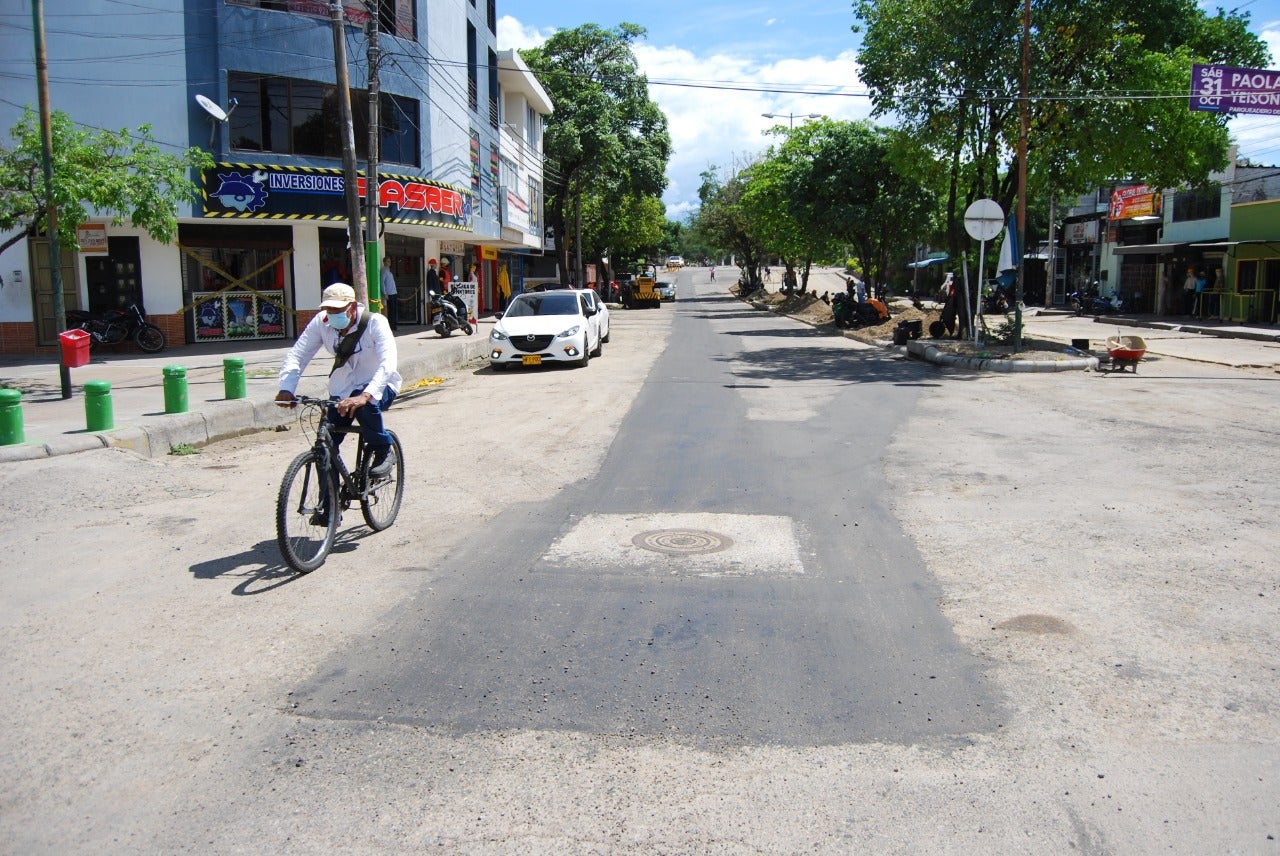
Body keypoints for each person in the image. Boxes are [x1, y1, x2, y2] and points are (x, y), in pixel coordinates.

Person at [275, 283, 402, 479]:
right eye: (329, 309)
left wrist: (365, 395)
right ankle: (328, 506)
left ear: (352, 306)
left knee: (363, 406)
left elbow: (388, 363)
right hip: (343, 389)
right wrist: (287, 388)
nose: (332, 313)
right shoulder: (322, 322)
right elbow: (298, 355)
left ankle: (383, 449)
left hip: (380, 385)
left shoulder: (375, 323)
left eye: (338, 309)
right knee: (325, 448)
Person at [379, 258, 398, 332]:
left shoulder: (389, 271)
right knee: (391, 310)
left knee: (394, 310)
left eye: (390, 261)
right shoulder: (384, 271)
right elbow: (382, 282)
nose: (389, 263)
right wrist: (385, 293)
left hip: (393, 292)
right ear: (384, 262)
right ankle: (392, 325)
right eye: (387, 261)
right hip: (389, 293)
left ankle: (394, 325)